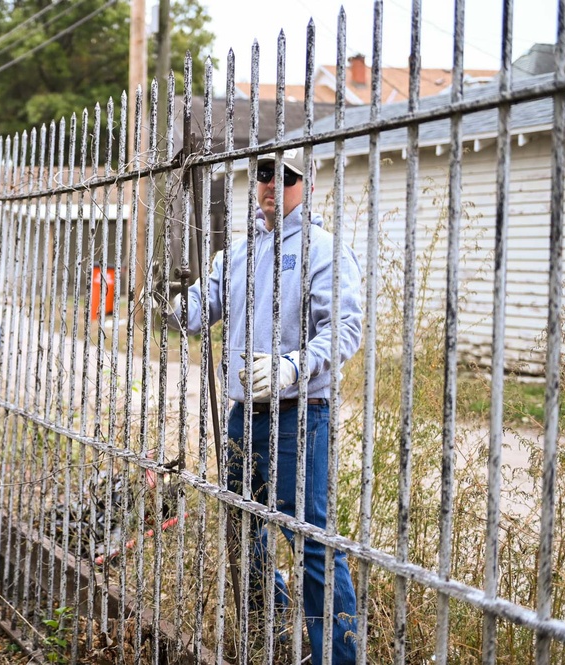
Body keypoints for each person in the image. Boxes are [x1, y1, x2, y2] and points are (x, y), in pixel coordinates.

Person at [168, 148, 363, 664]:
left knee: (310, 540)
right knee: (245, 527)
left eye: (287, 175)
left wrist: (293, 365)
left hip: (301, 414)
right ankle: (275, 630)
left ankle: (339, 657)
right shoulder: (233, 255)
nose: (274, 183)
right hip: (241, 417)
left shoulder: (326, 249)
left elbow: (344, 329)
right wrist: (169, 300)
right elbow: (195, 313)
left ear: (309, 183)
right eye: (265, 174)